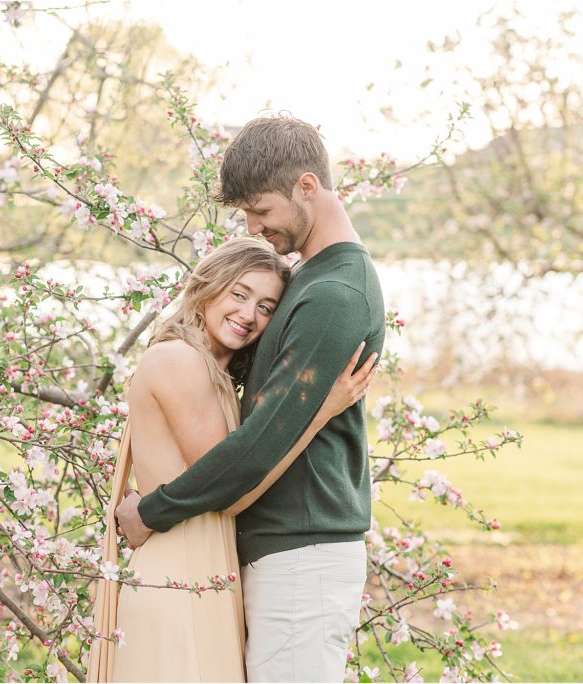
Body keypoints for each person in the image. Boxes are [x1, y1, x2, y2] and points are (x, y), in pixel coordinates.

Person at [114, 115, 386, 683]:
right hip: (278, 553)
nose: (254, 226)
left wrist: (153, 510)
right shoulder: (307, 279)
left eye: (260, 211)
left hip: (302, 555)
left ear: (307, 187)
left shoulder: (334, 294)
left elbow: (259, 443)